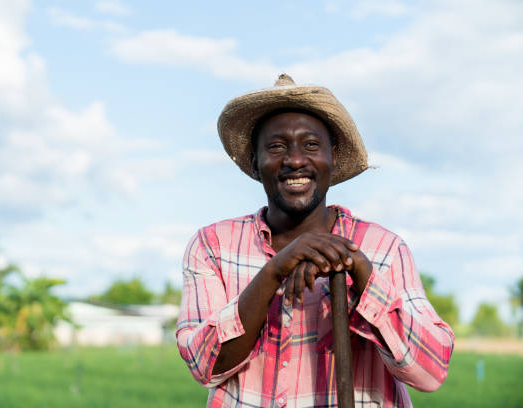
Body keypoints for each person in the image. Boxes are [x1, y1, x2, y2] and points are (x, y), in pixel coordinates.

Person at [176, 74, 454, 407]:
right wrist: (274, 271)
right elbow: (205, 366)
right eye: (276, 147)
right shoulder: (213, 246)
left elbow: (431, 371)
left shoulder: (384, 249)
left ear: (332, 158)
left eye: (311, 145)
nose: (294, 160)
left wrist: (361, 273)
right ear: (255, 162)